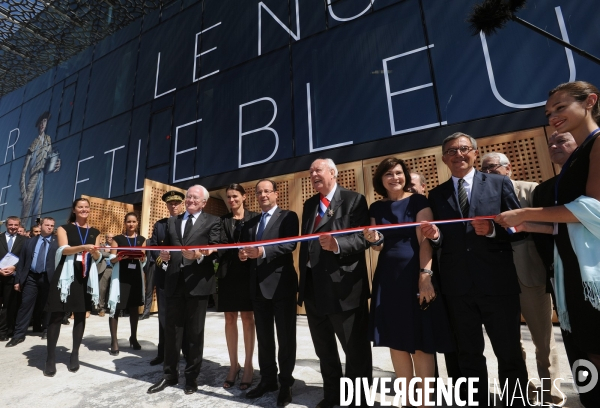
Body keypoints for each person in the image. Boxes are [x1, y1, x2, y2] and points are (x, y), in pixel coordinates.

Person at [496, 81, 600, 405]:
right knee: (585, 352)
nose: (553, 117)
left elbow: (594, 209)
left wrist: (526, 212)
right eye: (548, 113)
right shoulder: (577, 157)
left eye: (560, 108)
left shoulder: (597, 144)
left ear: (590, 101)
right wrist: (529, 224)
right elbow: (567, 223)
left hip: (591, 276)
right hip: (570, 273)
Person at [421, 132, 528, 407]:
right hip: (458, 288)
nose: (458, 155)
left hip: (497, 285)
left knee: (508, 352)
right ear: (444, 158)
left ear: (475, 153)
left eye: (464, 149)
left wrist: (494, 230)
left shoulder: (499, 183)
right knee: (467, 354)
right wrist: (435, 236)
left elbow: (519, 229)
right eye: (452, 151)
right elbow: (443, 239)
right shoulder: (437, 194)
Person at [364, 158, 454, 404]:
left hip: (414, 274)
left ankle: (425, 401)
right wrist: (372, 239)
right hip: (388, 278)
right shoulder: (376, 208)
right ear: (380, 180)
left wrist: (425, 276)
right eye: (388, 174)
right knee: (396, 339)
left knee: (422, 339)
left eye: (398, 173)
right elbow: (378, 246)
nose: (395, 178)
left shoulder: (418, 201)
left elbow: (425, 240)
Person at [481, 152, 562, 404]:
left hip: (530, 273)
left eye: (492, 168)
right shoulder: (481, 196)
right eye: (483, 169)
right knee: (510, 341)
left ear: (509, 168)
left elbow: (546, 228)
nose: (488, 173)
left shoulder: (531, 190)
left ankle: (552, 393)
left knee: (543, 339)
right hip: (497, 276)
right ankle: (523, 389)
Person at [297, 158, 372, 408]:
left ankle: (357, 399)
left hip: (344, 288)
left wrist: (339, 245)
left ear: (333, 172)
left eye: (317, 170)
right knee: (324, 348)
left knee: (355, 350)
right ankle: (333, 395)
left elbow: (365, 238)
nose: (313, 175)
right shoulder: (309, 205)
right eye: (310, 172)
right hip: (312, 288)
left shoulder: (354, 200)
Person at [147, 185, 220, 395]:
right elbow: (163, 253)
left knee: (195, 334)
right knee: (171, 332)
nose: (190, 200)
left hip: (198, 284)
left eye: (195, 198)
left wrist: (199, 256)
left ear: (204, 202)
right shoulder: (172, 221)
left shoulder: (213, 222)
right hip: (173, 283)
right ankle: (169, 375)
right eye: (188, 197)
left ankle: (191, 378)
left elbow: (216, 251)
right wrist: (164, 258)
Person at [239, 180, 298, 406]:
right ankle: (268, 380)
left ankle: (286, 383)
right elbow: (244, 248)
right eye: (259, 192)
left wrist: (262, 250)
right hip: (258, 288)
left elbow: (290, 245)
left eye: (267, 191)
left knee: (285, 338)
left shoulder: (288, 217)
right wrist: (243, 255)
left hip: (281, 286)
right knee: (264, 339)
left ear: (276, 194)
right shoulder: (251, 223)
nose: (263, 195)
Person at [44, 198, 102, 377]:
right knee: (56, 315)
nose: (84, 209)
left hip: (84, 276)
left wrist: (95, 252)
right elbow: (63, 249)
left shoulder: (95, 231)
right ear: (75, 210)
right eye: (80, 207)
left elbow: (98, 256)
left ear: (89, 210)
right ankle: (50, 357)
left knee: (80, 315)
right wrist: (83, 247)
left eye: (86, 207)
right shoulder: (64, 228)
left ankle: (74, 354)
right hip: (65, 277)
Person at [216, 184, 257, 389]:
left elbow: (259, 243)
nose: (232, 200)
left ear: (244, 197)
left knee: (248, 318)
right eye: (229, 197)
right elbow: (218, 246)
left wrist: (247, 254)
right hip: (228, 274)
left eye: (235, 196)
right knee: (230, 318)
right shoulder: (221, 221)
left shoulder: (255, 218)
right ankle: (234, 365)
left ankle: (248, 365)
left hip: (249, 274)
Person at [146, 190, 184, 366]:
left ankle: (184, 352)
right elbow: (153, 246)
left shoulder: (188, 222)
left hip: (183, 275)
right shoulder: (160, 224)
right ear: (167, 205)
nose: (174, 206)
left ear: (182, 203)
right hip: (164, 274)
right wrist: (163, 260)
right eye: (171, 203)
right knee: (163, 316)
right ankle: (163, 353)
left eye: (176, 202)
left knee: (184, 317)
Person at [6, 218, 58, 346]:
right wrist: (18, 280)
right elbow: (22, 261)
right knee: (25, 305)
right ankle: (18, 335)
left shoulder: (57, 242)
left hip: (48, 277)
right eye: (47, 225)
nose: (50, 227)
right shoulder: (29, 242)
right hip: (31, 277)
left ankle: (46, 330)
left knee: (48, 305)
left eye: (52, 225)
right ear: (41, 226)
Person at [107, 212, 146, 355]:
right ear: (125, 223)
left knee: (134, 308)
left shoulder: (142, 239)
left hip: (135, 276)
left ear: (137, 223)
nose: (131, 224)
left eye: (134, 221)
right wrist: (120, 257)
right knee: (115, 308)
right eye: (129, 221)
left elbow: (144, 259)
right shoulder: (118, 239)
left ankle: (133, 338)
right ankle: (114, 341)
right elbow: (110, 259)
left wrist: (141, 258)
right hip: (120, 277)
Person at [20, 111, 60, 228]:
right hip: (33, 176)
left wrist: (55, 165)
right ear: (38, 125)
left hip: (42, 175)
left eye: (45, 122)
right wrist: (24, 192)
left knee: (38, 206)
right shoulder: (34, 143)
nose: (43, 124)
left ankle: (36, 228)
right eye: (41, 122)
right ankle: (22, 228)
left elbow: (48, 160)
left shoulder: (48, 139)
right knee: (27, 206)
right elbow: (24, 170)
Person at [0, 216, 27, 341]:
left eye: (16, 225)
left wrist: (14, 267)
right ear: (6, 225)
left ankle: (5, 331)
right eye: (11, 225)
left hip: (12, 278)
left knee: (9, 306)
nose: (13, 227)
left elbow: (26, 258)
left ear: (19, 225)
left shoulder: (24, 240)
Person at [97, 233, 114, 317]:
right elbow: (102, 254)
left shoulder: (116, 246)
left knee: (112, 289)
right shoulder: (102, 245)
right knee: (102, 289)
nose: (109, 239)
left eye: (111, 237)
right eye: (108, 237)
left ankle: (111, 307)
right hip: (105, 269)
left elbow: (118, 254)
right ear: (105, 238)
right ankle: (101, 308)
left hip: (114, 269)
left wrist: (110, 251)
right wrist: (112, 252)